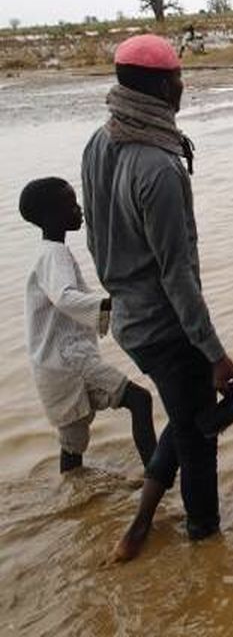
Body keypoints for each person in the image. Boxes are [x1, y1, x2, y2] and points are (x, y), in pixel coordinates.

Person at [81, 34, 233, 561]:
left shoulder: (98, 143)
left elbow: (97, 237)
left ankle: (141, 524)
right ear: (156, 86)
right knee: (199, 440)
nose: (183, 85)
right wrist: (215, 355)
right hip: (167, 326)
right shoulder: (158, 167)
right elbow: (178, 276)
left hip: (130, 320)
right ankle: (205, 545)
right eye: (176, 77)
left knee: (185, 416)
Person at [20, 177, 156, 475]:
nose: (79, 209)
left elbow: (67, 299)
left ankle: (77, 497)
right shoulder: (53, 255)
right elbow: (65, 297)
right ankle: (158, 478)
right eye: (70, 205)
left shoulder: (51, 253)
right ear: (49, 216)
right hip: (69, 360)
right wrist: (111, 304)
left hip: (61, 362)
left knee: (73, 442)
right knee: (139, 401)